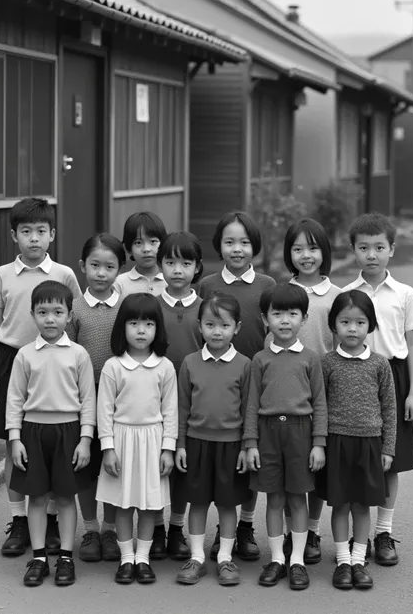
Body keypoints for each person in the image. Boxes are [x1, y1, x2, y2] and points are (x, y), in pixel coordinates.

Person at [0, 197, 81, 558]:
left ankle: (51, 517)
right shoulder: (3, 275)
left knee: (53, 444)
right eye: (26, 232)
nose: (33, 238)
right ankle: (19, 519)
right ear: (14, 236)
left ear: (52, 234)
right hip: (11, 362)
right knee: (15, 443)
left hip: (54, 363)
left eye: (41, 231)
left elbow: (76, 321)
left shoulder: (65, 274)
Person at [343, 212, 413, 565]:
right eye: (364, 248)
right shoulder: (346, 293)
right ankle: (355, 533)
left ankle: (384, 532)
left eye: (379, 247)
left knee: (391, 460)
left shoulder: (405, 294)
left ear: (392, 249)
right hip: (356, 376)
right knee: (356, 456)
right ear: (354, 250)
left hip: (394, 375)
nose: (372, 254)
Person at [6, 281, 96, 587]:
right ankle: (40, 557)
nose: (50, 318)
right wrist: (15, 437)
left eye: (58, 312)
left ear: (69, 315)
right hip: (33, 432)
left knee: (66, 497)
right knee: (37, 497)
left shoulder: (79, 354)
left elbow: (88, 399)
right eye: (42, 312)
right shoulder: (25, 355)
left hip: (69, 432)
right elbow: (15, 399)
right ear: (32, 314)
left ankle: (67, 557)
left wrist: (86, 439)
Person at [198, 211, 275, 561]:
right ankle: (217, 529)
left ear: (254, 246)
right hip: (215, 379)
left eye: (244, 242)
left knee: (249, 456)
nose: (237, 249)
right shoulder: (208, 285)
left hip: (254, 381)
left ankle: (244, 526)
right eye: (229, 242)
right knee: (217, 458)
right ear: (219, 246)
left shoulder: (267, 286)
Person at [244, 284, 327, 590]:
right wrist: (250, 443)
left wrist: (319, 443)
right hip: (268, 434)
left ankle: (297, 561)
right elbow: (251, 403)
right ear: (265, 319)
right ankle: (277, 557)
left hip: (300, 434)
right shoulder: (259, 360)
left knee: (298, 498)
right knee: (275, 499)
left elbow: (319, 403)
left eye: (292, 313)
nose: (284, 320)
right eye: (276, 313)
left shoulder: (310, 359)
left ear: (304, 318)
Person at [96, 293, 177, 585]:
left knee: (147, 504)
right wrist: (107, 448)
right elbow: (103, 410)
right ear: (122, 328)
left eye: (148, 323)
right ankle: (126, 558)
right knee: (123, 503)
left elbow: (170, 411)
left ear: (158, 329)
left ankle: (142, 558)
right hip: (121, 441)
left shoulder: (165, 367)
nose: (141, 330)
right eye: (133, 323)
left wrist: (168, 449)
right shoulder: (113, 366)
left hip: (153, 443)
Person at [318, 290, 396, 591]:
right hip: (337, 443)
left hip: (369, 444)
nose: (352, 328)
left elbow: (389, 407)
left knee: (362, 506)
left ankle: (359, 560)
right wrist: (320, 444)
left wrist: (388, 448)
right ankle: (342, 561)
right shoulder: (327, 363)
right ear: (333, 325)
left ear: (370, 326)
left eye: (360, 322)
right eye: (345, 322)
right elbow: (320, 406)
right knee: (340, 504)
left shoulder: (380, 364)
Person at [175, 293, 251, 587]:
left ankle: (225, 559)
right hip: (196, 443)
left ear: (237, 327)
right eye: (209, 324)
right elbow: (181, 407)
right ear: (200, 326)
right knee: (197, 502)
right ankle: (196, 557)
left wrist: (247, 446)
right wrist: (180, 443)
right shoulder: (190, 363)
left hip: (231, 446)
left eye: (224, 325)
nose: (216, 332)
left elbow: (249, 409)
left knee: (228, 504)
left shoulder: (245, 364)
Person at [278, 218, 341, 565]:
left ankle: (312, 529)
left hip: (322, 393)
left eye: (313, 247)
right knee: (290, 467)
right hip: (287, 393)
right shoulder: (281, 292)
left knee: (315, 466)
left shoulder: (336, 296)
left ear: (324, 252)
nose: (306, 255)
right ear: (289, 253)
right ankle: (291, 532)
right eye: (298, 248)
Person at [66, 234, 126, 563]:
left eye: (109, 267)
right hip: (83, 401)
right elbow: (66, 356)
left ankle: (110, 529)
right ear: (82, 267)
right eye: (94, 265)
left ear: (120, 269)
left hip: (119, 401)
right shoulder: (73, 309)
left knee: (113, 465)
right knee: (86, 467)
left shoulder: (126, 307)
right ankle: (90, 528)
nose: (101, 273)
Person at [150, 232, 204, 561]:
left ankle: (176, 527)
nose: (178, 270)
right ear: (161, 267)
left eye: (186, 263)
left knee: (184, 467)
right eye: (170, 262)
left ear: (197, 268)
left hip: (194, 397)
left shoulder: (205, 307)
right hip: (156, 396)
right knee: (156, 463)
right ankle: (155, 527)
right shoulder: (151, 306)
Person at [113, 212, 167, 298]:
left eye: (153, 241)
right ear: (128, 248)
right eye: (138, 243)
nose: (146, 249)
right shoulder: (119, 284)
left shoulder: (171, 281)